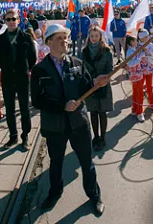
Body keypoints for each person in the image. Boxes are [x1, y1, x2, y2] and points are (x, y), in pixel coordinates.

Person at [30, 23, 105, 215]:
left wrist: (98, 83)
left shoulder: (77, 64)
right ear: (48, 43)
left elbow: (87, 88)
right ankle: (55, 192)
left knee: (87, 163)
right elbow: (37, 100)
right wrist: (62, 106)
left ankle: (94, 195)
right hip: (55, 126)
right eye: (59, 38)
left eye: (65, 38)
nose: (64, 41)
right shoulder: (39, 70)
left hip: (79, 123)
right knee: (56, 163)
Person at [0, 9, 38, 150]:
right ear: (5, 22)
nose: (11, 22)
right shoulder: (1, 39)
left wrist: (24, 69)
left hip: (22, 78)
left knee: (25, 108)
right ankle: (13, 136)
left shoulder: (26, 37)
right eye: (8, 19)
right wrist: (8, 68)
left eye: (13, 19)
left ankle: (25, 136)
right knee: (9, 109)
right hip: (7, 78)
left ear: (18, 20)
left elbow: (32, 58)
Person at [81, 25, 114, 151]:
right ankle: (95, 136)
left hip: (103, 84)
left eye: (96, 36)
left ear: (100, 37)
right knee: (93, 113)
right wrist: (91, 80)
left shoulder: (106, 51)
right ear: (89, 37)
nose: (94, 38)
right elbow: (83, 69)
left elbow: (110, 69)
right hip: (90, 86)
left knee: (102, 113)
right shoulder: (84, 52)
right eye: (92, 36)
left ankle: (103, 138)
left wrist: (102, 78)